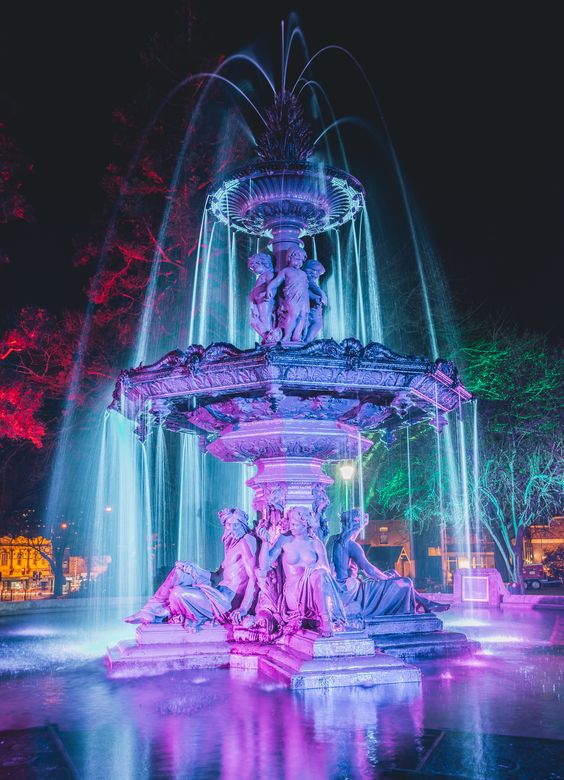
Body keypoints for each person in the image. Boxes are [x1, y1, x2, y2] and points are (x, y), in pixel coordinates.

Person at [125, 508, 257, 628]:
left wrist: (244, 608)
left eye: (236, 525)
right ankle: (148, 611)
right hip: (218, 593)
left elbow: (254, 577)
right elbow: (216, 577)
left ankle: (157, 613)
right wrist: (193, 569)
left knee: (177, 593)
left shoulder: (246, 541)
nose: (233, 529)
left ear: (243, 525)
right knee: (180, 571)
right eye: (229, 525)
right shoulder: (232, 547)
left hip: (226, 603)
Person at [327, 508, 449, 621]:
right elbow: (370, 571)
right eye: (359, 525)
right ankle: (425, 604)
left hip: (339, 586)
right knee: (406, 582)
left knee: (393, 573)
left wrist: (389, 576)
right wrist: (386, 579)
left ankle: (425, 603)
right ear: (354, 525)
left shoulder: (332, 540)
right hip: (351, 590)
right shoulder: (351, 545)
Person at [258, 506, 346, 636]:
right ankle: (325, 621)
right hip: (294, 594)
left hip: (314, 588)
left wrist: (315, 567)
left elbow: (326, 569)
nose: (291, 526)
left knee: (320, 574)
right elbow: (264, 565)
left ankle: (325, 620)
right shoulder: (284, 540)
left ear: (305, 525)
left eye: (295, 524)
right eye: (290, 523)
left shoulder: (316, 544)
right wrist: (265, 542)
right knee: (319, 575)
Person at [266, 247, 311, 342]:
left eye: (302, 261)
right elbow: (277, 281)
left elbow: (306, 287)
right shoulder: (286, 271)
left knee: (303, 315)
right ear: (289, 258)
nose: (300, 263)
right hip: (292, 296)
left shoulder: (303, 273)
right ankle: (287, 336)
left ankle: (296, 336)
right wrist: (269, 288)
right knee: (293, 314)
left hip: (304, 297)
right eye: (297, 259)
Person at [248, 252, 275, 341]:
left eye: (254, 267)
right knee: (253, 321)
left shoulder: (268, 274)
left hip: (264, 300)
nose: (253, 270)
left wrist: (269, 293)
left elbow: (272, 285)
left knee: (265, 317)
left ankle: (270, 337)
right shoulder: (261, 276)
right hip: (258, 301)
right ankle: (266, 336)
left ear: (263, 263)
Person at [303, 259, 327, 342]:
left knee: (316, 324)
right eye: (311, 272)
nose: (315, 275)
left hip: (316, 311)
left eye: (317, 273)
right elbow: (304, 291)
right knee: (308, 327)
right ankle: (304, 344)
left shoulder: (311, 283)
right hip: (309, 310)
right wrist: (314, 297)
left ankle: (306, 344)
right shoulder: (303, 281)